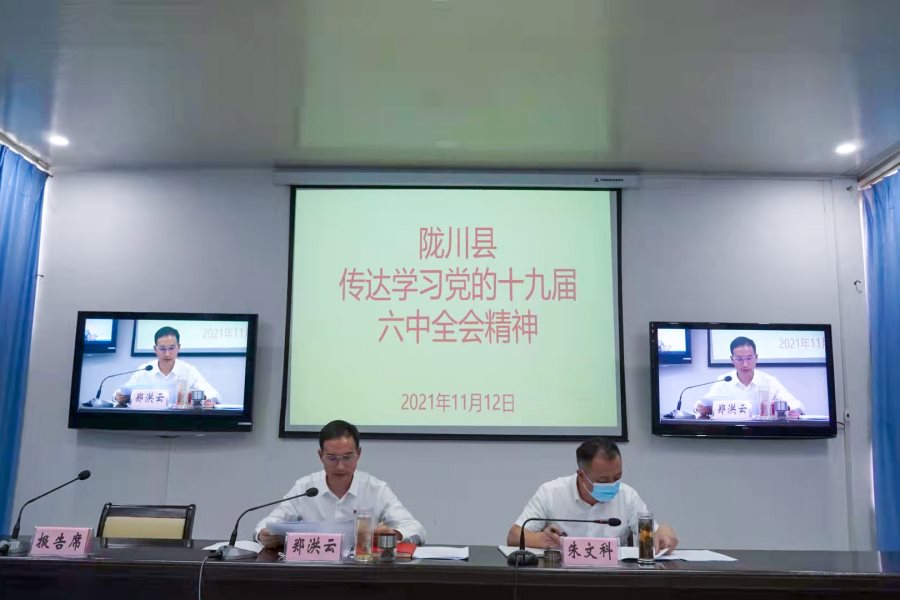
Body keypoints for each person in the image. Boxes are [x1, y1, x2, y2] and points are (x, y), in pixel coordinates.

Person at [255, 420, 426, 549]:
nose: (340, 466)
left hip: (362, 572)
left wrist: (394, 534)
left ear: (358, 454)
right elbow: (267, 525)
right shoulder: (305, 488)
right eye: (332, 458)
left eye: (347, 457)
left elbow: (415, 529)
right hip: (314, 571)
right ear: (320, 456)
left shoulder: (375, 489)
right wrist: (263, 535)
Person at [507, 438, 678, 554]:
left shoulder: (627, 496)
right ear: (581, 475)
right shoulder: (551, 492)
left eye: (617, 477)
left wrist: (661, 532)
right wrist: (541, 539)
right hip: (562, 578)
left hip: (614, 580)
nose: (612, 484)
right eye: (603, 480)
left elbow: (653, 535)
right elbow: (514, 536)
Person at [695, 336, 805, 418]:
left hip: (762, 433)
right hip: (731, 433)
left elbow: (797, 405)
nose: (745, 364)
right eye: (739, 359)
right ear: (732, 360)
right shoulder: (723, 381)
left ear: (756, 357)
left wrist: (795, 411)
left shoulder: (768, 381)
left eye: (749, 358)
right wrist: (699, 408)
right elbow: (701, 404)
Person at [113, 326, 220, 407]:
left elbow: (214, 394)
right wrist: (118, 397)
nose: (167, 353)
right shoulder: (145, 369)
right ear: (155, 349)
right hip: (149, 418)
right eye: (162, 349)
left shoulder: (188, 370)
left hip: (179, 419)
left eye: (171, 348)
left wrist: (209, 400)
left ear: (178, 347)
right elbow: (121, 392)